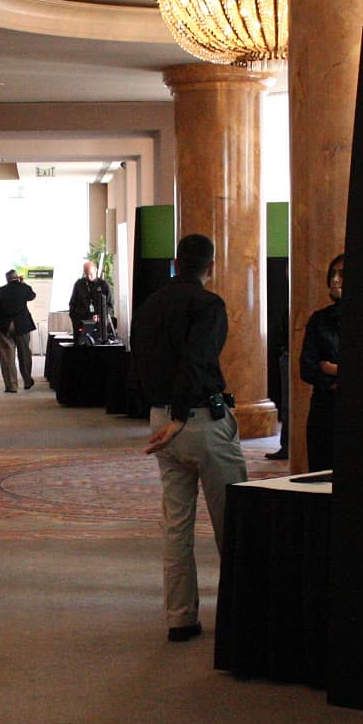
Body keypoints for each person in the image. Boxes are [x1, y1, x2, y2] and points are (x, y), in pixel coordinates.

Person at [131, 233, 249, 643]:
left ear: (175, 263)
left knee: (177, 526)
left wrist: (163, 413)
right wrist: (181, 415)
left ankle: (180, 617)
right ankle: (241, 620)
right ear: (210, 267)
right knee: (232, 523)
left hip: (161, 421)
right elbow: (197, 362)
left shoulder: (149, 306)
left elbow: (139, 363)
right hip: (198, 420)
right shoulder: (208, 305)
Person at [299, 253, 344, 472]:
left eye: (342, 274)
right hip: (325, 408)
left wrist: (331, 367)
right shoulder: (320, 319)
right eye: (332, 274)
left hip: (362, 412)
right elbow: (307, 368)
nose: (335, 280)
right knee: (321, 474)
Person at [0, 269, 37, 392]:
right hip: (22, 325)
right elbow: (32, 296)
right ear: (17, 277)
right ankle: (27, 380)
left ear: (6, 279)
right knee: (25, 354)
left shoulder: (0, 291)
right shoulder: (23, 288)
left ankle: (11, 385)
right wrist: (23, 283)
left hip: (4, 326)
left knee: (7, 357)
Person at [68, 259, 115, 343]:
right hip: (81, 323)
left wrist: (101, 316)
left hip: (99, 326)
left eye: (91, 274)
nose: (89, 277)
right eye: (86, 274)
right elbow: (72, 304)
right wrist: (76, 320)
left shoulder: (103, 285)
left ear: (95, 270)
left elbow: (109, 306)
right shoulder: (79, 284)